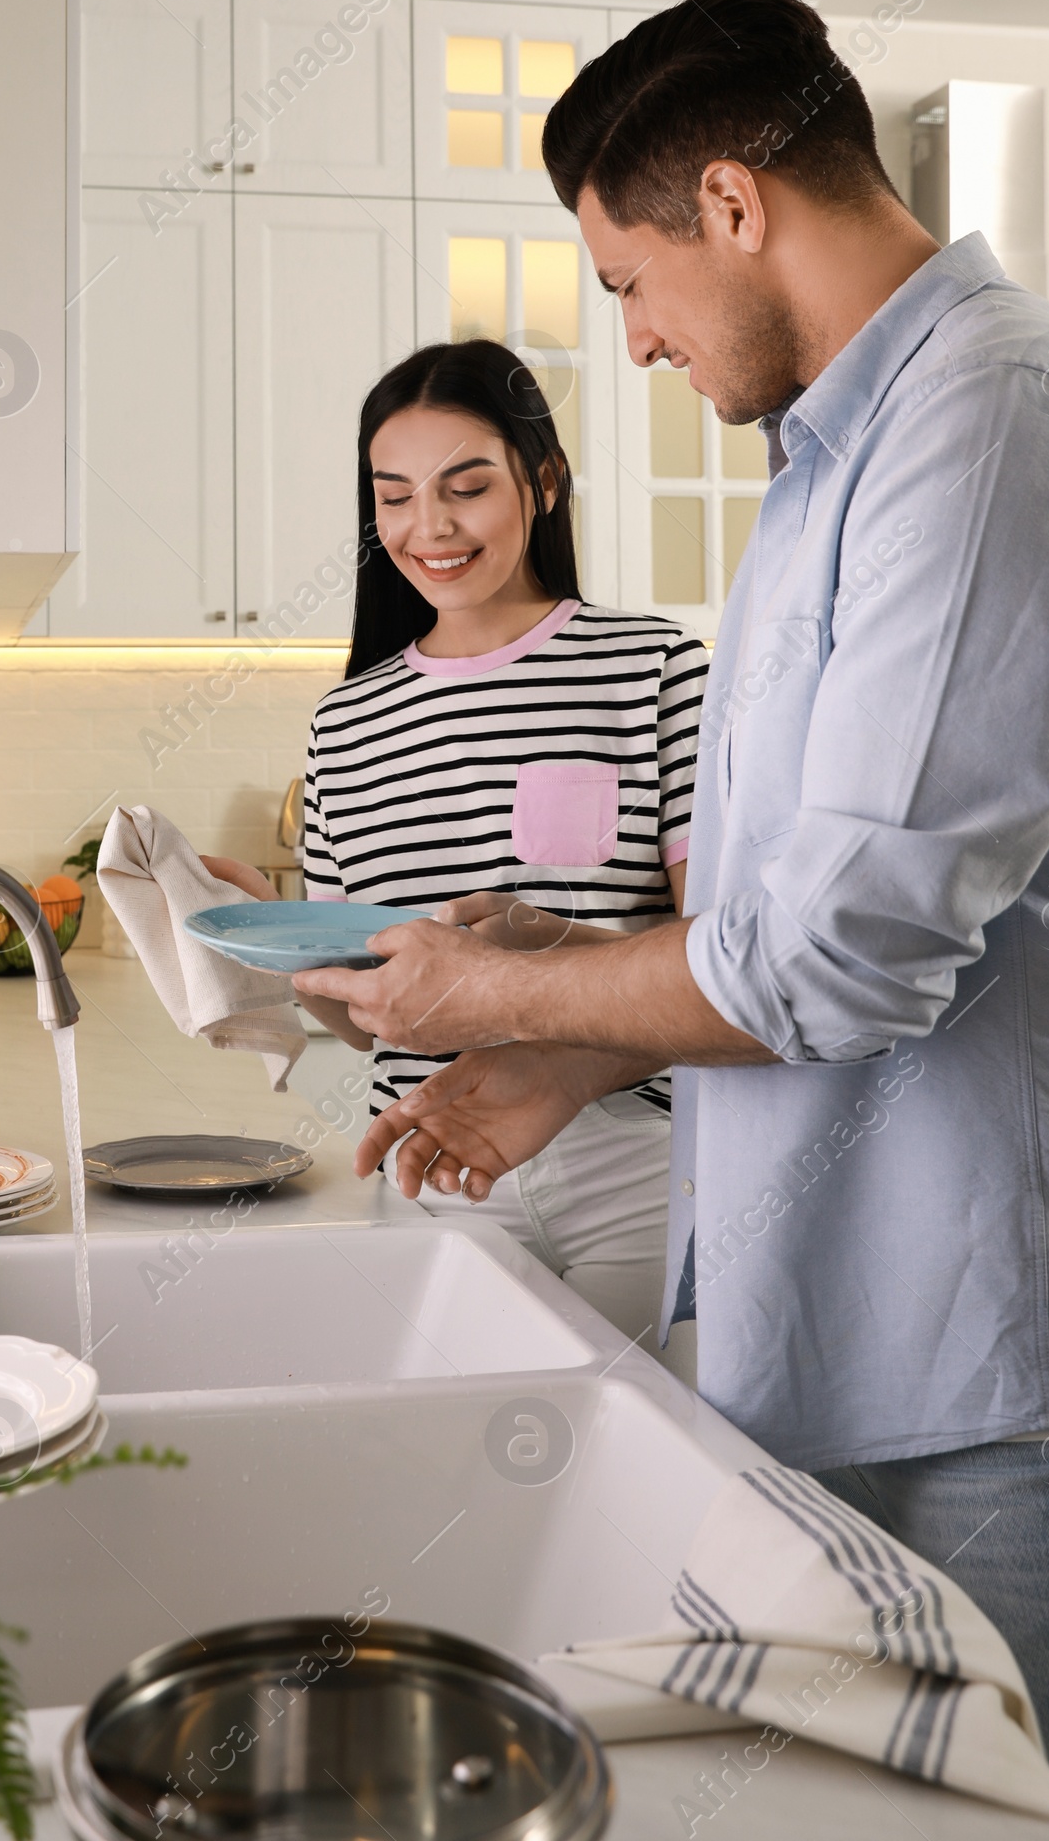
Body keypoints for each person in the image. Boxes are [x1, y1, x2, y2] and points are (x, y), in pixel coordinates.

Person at [294, 0, 1049, 1762]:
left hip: (980, 1363)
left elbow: (842, 954)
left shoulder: (987, 422)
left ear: (730, 205)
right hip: (836, 1325)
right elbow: (781, 916)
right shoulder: (831, 462)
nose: (633, 343)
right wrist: (575, 1034)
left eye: (629, 283)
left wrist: (486, 986)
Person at [209, 336, 708, 1362]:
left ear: (544, 483)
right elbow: (362, 1025)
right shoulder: (347, 723)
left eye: (465, 488)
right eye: (392, 497)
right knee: (477, 1480)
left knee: (651, 1470)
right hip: (434, 1168)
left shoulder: (652, 669)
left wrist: (547, 952)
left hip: (636, 1156)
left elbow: (726, 952)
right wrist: (274, 933)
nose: (426, 527)